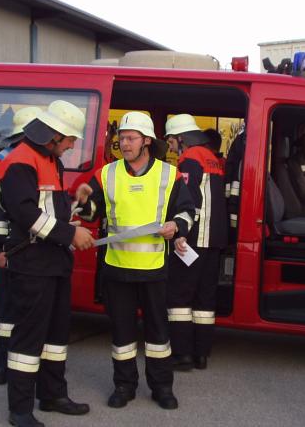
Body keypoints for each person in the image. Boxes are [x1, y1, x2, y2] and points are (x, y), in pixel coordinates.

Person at [76, 111, 194, 410]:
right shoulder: (106, 173)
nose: (124, 144)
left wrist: (176, 226)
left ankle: (162, 387)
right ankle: (124, 386)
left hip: (154, 269)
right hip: (117, 268)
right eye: (121, 139)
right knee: (122, 332)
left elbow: (187, 211)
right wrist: (84, 201)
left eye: (130, 138)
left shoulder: (169, 174)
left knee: (158, 333)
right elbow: (91, 214)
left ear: (146, 142)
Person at [0, 100, 94, 427]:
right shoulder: (20, 161)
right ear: (53, 135)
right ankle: (20, 410)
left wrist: (73, 205)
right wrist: (69, 235)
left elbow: (50, 208)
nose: (72, 145)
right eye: (69, 139)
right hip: (32, 263)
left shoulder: (50, 160)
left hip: (53, 261)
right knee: (28, 338)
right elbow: (25, 213)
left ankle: (53, 395)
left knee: (55, 335)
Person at [165, 114, 227, 371]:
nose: (170, 147)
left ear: (181, 138)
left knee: (179, 296)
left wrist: (181, 233)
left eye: (170, 141)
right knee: (205, 299)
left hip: (193, 239)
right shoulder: (213, 157)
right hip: (215, 239)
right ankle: (201, 354)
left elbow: (191, 201)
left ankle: (181, 355)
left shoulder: (190, 158)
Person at [0, 106, 42, 386]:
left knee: (17, 309)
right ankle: (4, 367)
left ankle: (10, 367)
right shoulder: (6, 161)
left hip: (23, 245)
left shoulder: (15, 157)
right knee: (10, 310)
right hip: (12, 245)